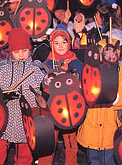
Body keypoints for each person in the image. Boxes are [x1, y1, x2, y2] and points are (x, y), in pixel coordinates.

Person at [0, 28, 45, 165]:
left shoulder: (36, 70)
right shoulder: (3, 69)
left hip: (25, 119)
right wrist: (4, 96)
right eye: (16, 51)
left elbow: (40, 93)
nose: (21, 55)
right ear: (11, 52)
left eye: (24, 51)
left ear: (30, 50)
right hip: (4, 119)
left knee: (24, 154)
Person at [77, 40, 122, 165]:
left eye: (112, 54)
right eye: (104, 54)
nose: (108, 57)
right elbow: (82, 92)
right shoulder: (90, 70)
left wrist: (115, 98)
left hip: (110, 131)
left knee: (109, 161)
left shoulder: (121, 74)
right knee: (93, 160)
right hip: (91, 129)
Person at [38, 28, 83, 165]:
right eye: (56, 43)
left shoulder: (76, 63)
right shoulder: (46, 64)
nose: (61, 46)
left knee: (70, 142)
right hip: (52, 109)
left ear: (69, 43)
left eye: (64, 42)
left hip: (70, 109)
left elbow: (81, 84)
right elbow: (42, 86)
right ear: (51, 45)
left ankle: (71, 162)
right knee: (49, 142)